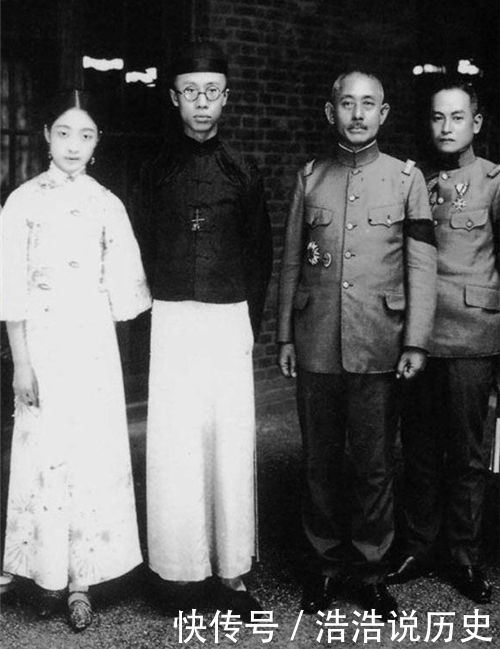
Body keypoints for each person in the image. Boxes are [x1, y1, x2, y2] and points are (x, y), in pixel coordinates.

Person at [277, 70, 437, 620]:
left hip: (379, 341)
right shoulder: (310, 178)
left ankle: (370, 571)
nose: (358, 114)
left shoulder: (406, 179)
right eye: (348, 104)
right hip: (317, 339)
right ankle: (323, 567)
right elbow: (292, 261)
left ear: (383, 114)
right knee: (319, 463)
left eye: (369, 104)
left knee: (374, 465)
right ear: (332, 112)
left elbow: (421, 265)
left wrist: (415, 341)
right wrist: (285, 335)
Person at [0, 91, 151, 631]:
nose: (73, 145)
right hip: (39, 343)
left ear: (97, 143)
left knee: (87, 453)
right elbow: (10, 287)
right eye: (63, 133)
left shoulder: (107, 203)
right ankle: (35, 568)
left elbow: (125, 291)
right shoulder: (22, 201)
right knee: (43, 451)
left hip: (90, 346)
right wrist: (21, 363)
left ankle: (82, 579)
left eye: (85, 135)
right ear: (46, 135)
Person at [140, 41, 273, 619]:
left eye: (211, 92)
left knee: (228, 442)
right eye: (190, 91)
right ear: (174, 99)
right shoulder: (153, 170)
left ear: (226, 98)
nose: (201, 102)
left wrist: (248, 325)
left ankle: (231, 571)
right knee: (176, 444)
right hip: (173, 319)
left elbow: (261, 254)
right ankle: (179, 572)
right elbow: (141, 249)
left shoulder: (243, 170)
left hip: (227, 318)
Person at [388, 80, 499, 603]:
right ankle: (418, 545)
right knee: (419, 447)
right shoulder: (418, 182)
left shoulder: (494, 183)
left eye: (457, 117)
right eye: (438, 117)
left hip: (473, 336)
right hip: (421, 336)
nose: (447, 127)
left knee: (468, 453)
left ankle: (464, 554)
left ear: (476, 123)